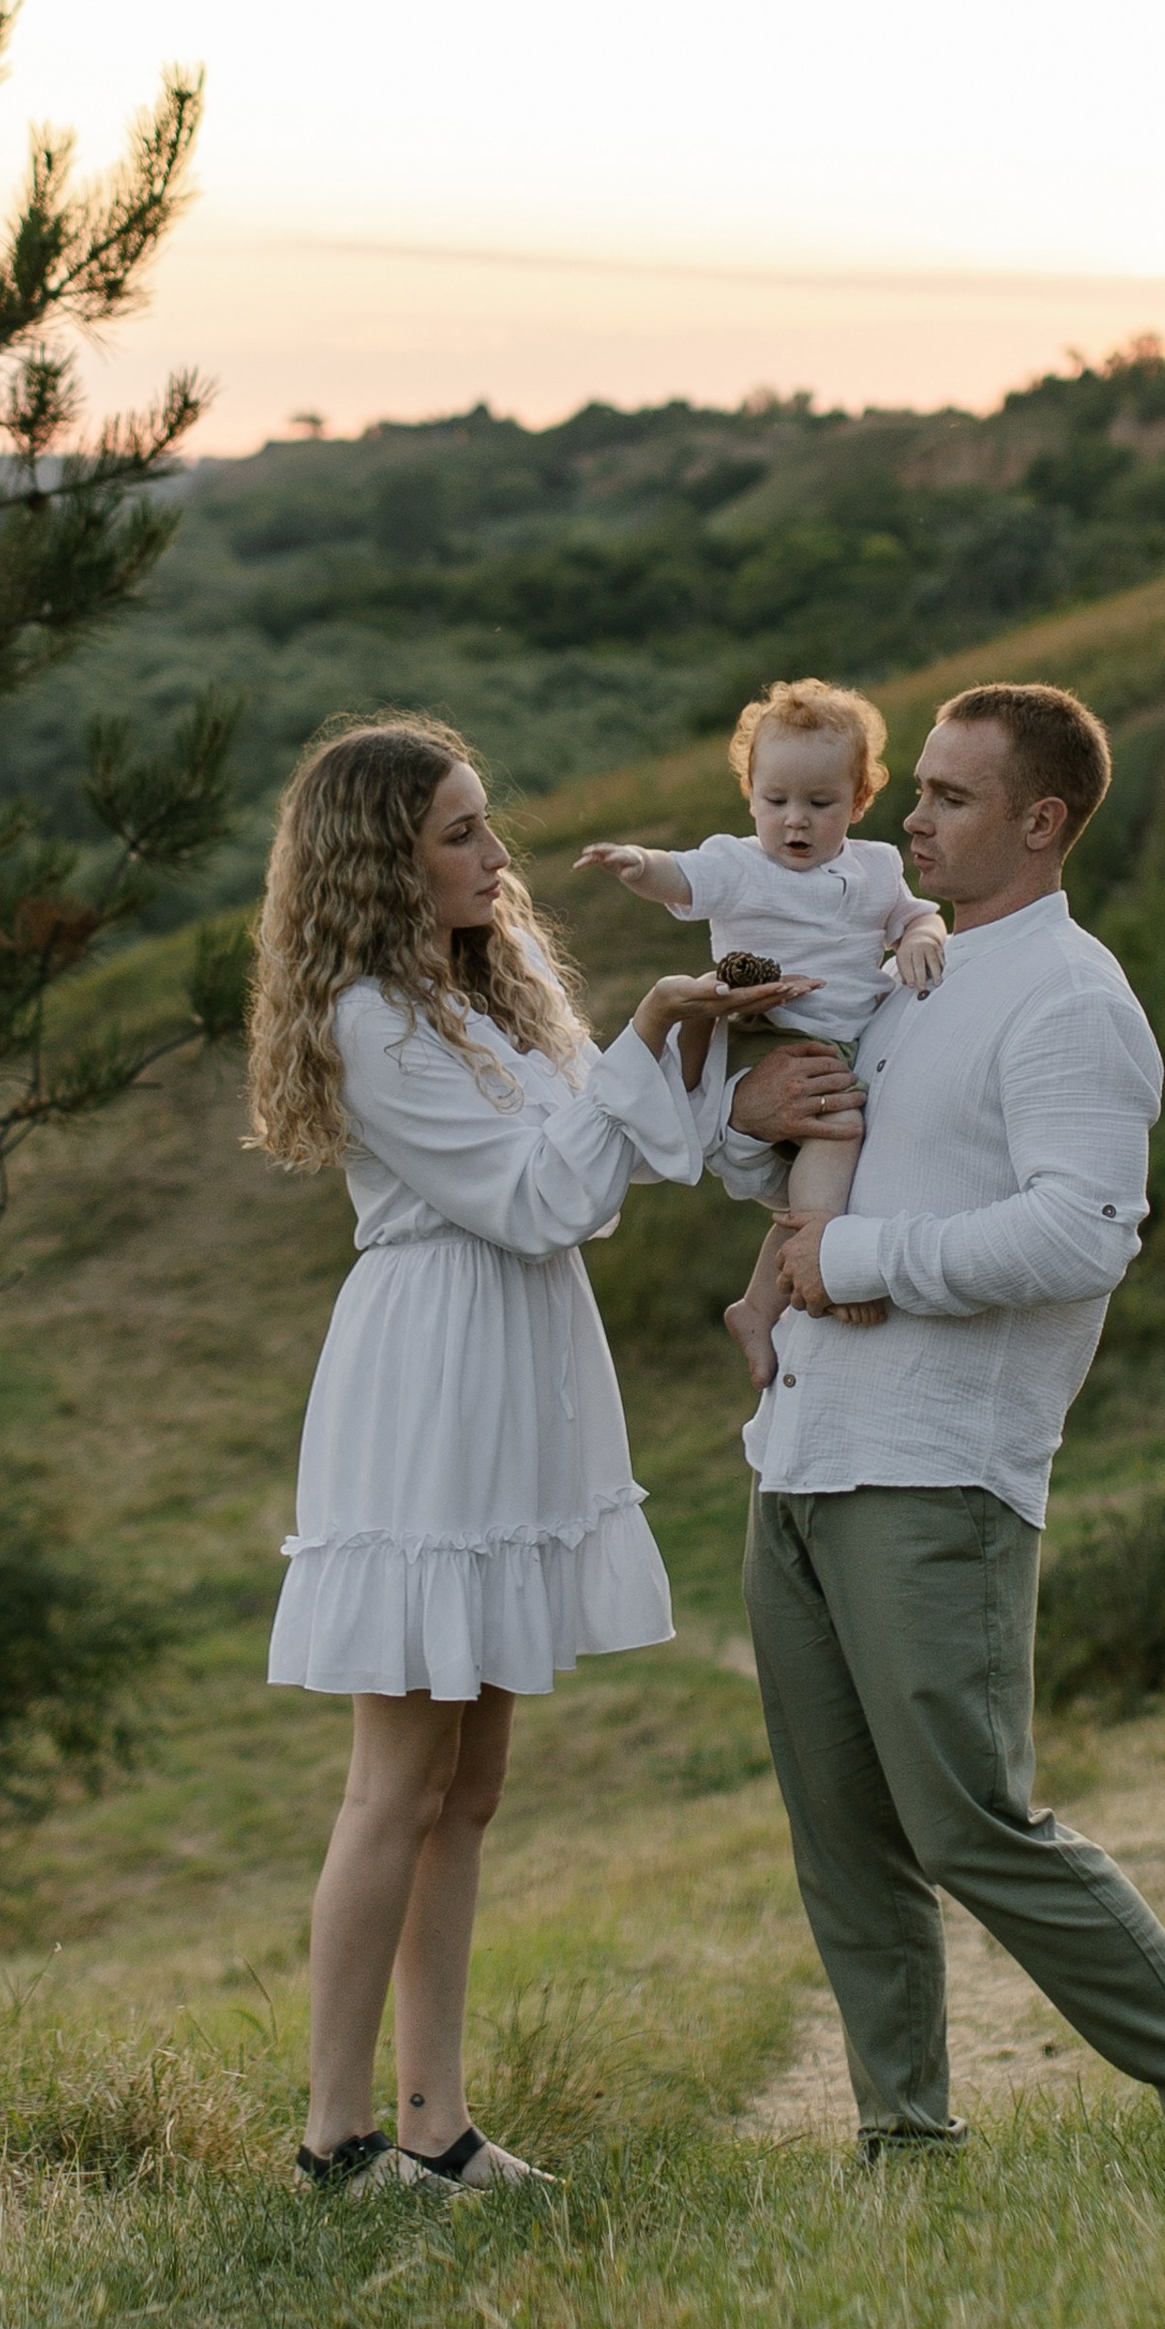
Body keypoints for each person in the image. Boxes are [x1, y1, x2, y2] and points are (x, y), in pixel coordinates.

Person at [716, 680, 1165, 2148]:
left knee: (970, 1821)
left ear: (1041, 822)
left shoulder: (1074, 999)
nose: (907, 816)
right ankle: (905, 2142)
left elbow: (1085, 1232)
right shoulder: (906, 974)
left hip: (937, 1471)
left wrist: (856, 1259)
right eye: (916, 791)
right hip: (802, 1454)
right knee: (844, 1842)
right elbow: (827, 1168)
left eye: (950, 798)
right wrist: (756, 1130)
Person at [248, 715, 803, 2194]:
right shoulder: (370, 1017)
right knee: (395, 1780)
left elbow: (606, 1182)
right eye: (461, 835)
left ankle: (437, 2125)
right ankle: (336, 2134)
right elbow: (536, 1198)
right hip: (430, 1375)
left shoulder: (483, 998)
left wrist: (684, 1038)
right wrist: (644, 1042)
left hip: (518, 1362)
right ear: (383, 860)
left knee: (472, 1783)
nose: (498, 858)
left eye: (486, 827)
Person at [578, 676, 945, 1392]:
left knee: (832, 1162)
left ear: (860, 801)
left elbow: (913, 915)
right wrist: (636, 863)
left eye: (820, 804)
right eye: (775, 802)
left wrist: (921, 936)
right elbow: (680, 876)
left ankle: (756, 1305)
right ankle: (823, 1266)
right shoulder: (739, 864)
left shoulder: (876, 867)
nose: (795, 823)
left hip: (848, 1040)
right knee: (835, 1128)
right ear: (750, 794)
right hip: (764, 1027)